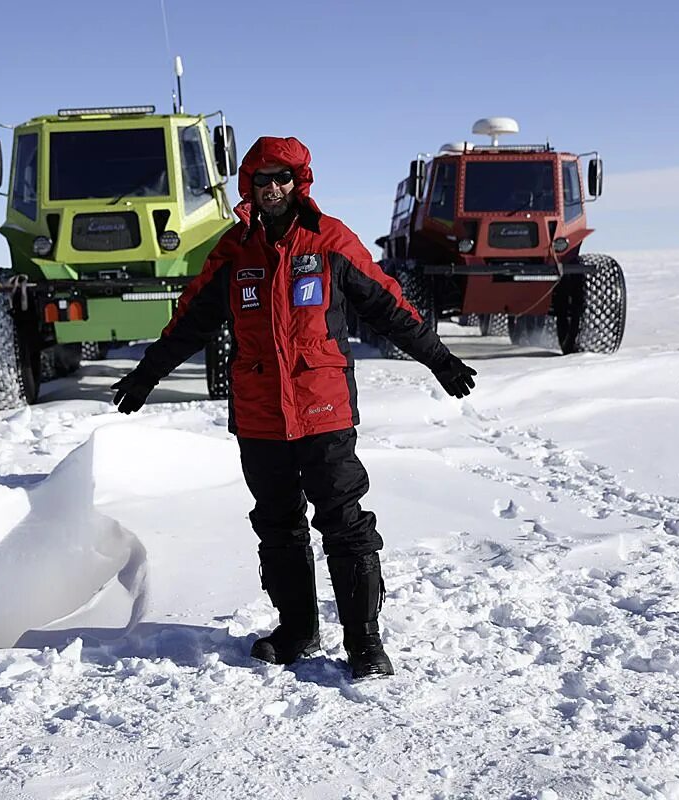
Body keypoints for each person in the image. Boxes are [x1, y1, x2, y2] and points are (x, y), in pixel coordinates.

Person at [111, 136, 476, 679]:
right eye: (263, 179)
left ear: (298, 182)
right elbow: (190, 321)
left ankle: (365, 643)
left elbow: (387, 305)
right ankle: (297, 631)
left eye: (283, 178)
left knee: (345, 524)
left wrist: (440, 360)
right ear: (250, 187)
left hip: (323, 410)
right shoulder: (234, 251)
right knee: (278, 526)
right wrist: (146, 376)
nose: (274, 188)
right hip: (260, 416)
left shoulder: (330, 241)